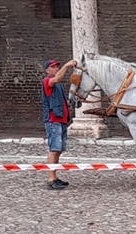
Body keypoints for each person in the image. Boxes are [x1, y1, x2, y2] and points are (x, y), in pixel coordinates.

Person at [41, 58, 77, 190]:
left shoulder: (59, 86)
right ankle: (51, 179)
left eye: (57, 67)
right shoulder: (47, 81)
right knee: (54, 149)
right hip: (53, 120)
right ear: (47, 70)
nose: (56, 69)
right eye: (53, 67)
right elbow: (55, 79)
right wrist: (66, 66)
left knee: (59, 150)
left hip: (61, 119)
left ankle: (54, 177)